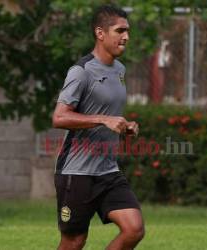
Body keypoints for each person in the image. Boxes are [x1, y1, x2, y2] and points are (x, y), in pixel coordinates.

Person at [52, 4, 145, 250]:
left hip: (107, 171)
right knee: (74, 241)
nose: (126, 37)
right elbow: (59, 117)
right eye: (120, 30)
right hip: (77, 172)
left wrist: (124, 127)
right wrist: (103, 119)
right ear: (100, 33)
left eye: (128, 31)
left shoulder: (120, 71)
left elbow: (110, 116)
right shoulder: (81, 72)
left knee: (134, 229)